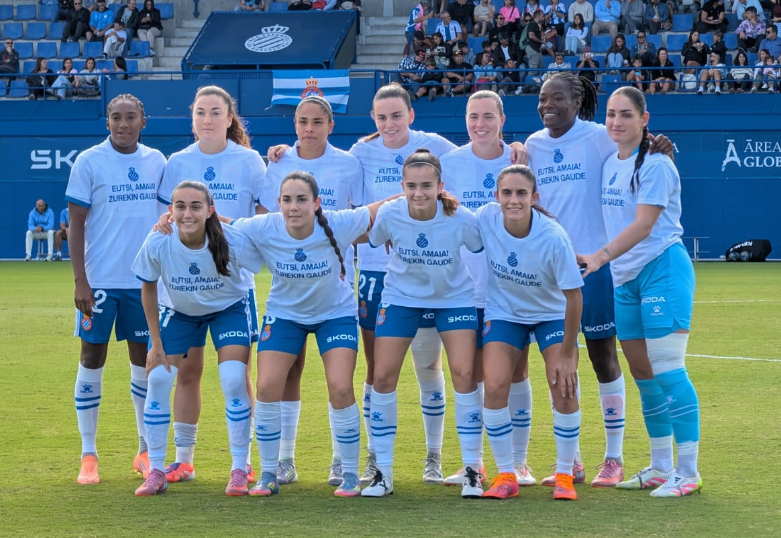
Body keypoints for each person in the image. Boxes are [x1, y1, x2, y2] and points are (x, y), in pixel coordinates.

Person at [523, 71, 673, 490]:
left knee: (603, 357)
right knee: (557, 362)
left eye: (557, 98)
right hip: (549, 269)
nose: (548, 105)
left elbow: (636, 146)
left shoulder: (597, 136)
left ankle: (613, 457)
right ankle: (570, 460)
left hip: (595, 266)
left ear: (577, 102)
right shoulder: (532, 145)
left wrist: (659, 143)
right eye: (542, 98)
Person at [225, 172, 385, 498]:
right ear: (278, 203)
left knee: (341, 387)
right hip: (285, 316)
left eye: (301, 200)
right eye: (287, 200)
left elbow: (378, 208)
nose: (293, 207)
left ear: (316, 203)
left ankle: (349, 474)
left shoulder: (338, 223)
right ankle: (269, 473)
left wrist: (422, 194)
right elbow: (223, 224)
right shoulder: (264, 226)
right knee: (267, 386)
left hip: (335, 316)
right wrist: (177, 219)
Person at [578, 86, 702, 499]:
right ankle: (660, 466)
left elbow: (645, 225)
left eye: (626, 114)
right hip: (624, 278)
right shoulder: (610, 161)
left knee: (668, 369)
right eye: (611, 114)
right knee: (643, 375)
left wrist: (600, 257)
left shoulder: (656, 163)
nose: (616, 122)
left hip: (661, 269)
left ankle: (688, 471)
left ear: (644, 119)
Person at [155, 85, 266, 486]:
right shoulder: (178, 161)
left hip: (233, 287)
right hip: (184, 288)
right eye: (200, 112)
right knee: (186, 373)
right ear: (192, 118)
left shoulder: (250, 161)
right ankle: (183, 460)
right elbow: (164, 221)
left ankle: (243, 463)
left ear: (229, 118)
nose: (207, 119)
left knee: (236, 375)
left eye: (215, 112)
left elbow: (263, 218)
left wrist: (228, 230)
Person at [360, 149, 484, 499]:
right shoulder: (389, 213)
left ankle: (473, 471)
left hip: (453, 299)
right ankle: (383, 474)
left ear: (440, 186)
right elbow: (373, 238)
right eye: (411, 186)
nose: (419, 193)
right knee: (383, 377)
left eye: (426, 186)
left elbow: (479, 246)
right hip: (401, 298)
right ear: (402, 186)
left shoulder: (461, 218)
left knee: (464, 375)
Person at [131, 181, 264, 497]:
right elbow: (148, 289)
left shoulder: (231, 238)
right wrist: (156, 344)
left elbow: (262, 256)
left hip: (229, 309)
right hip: (179, 312)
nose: (187, 214)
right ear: (170, 211)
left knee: (233, 378)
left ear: (210, 210)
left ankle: (240, 468)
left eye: (195, 206)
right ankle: (157, 470)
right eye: (180, 206)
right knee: (159, 379)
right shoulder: (159, 240)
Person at [258, 96, 364, 487]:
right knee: (277, 381)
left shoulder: (349, 164)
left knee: (340, 384)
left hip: (333, 298)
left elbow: (365, 215)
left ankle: (342, 464)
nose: (309, 128)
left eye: (318, 121)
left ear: (331, 125)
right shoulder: (279, 162)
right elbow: (260, 217)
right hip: (288, 298)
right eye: (302, 121)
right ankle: (280, 463)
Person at [65, 94, 167, 485]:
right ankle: (88, 454)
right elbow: (76, 223)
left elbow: (166, 218)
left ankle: (144, 450)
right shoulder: (89, 161)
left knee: (144, 362)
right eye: (116, 117)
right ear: (107, 121)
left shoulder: (157, 161)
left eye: (130, 117)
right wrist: (81, 280)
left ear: (144, 121)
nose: (123, 124)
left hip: (143, 282)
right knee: (92, 357)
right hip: (101, 281)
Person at [477, 165, 584, 501]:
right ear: (496, 196)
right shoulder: (485, 218)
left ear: (534, 197)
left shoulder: (553, 237)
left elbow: (574, 298)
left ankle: (565, 474)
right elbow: (446, 217)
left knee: (563, 385)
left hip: (551, 316)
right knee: (495, 384)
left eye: (521, 193)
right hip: (505, 314)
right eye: (507, 193)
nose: (514, 200)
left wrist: (567, 354)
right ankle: (506, 474)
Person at [439, 91, 522, 486]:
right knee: (467, 373)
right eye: (473, 116)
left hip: (510, 288)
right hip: (465, 289)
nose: (480, 124)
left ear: (502, 120)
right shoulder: (451, 162)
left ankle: (518, 462)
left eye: (488, 116)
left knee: (514, 373)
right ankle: (472, 463)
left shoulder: (520, 160)